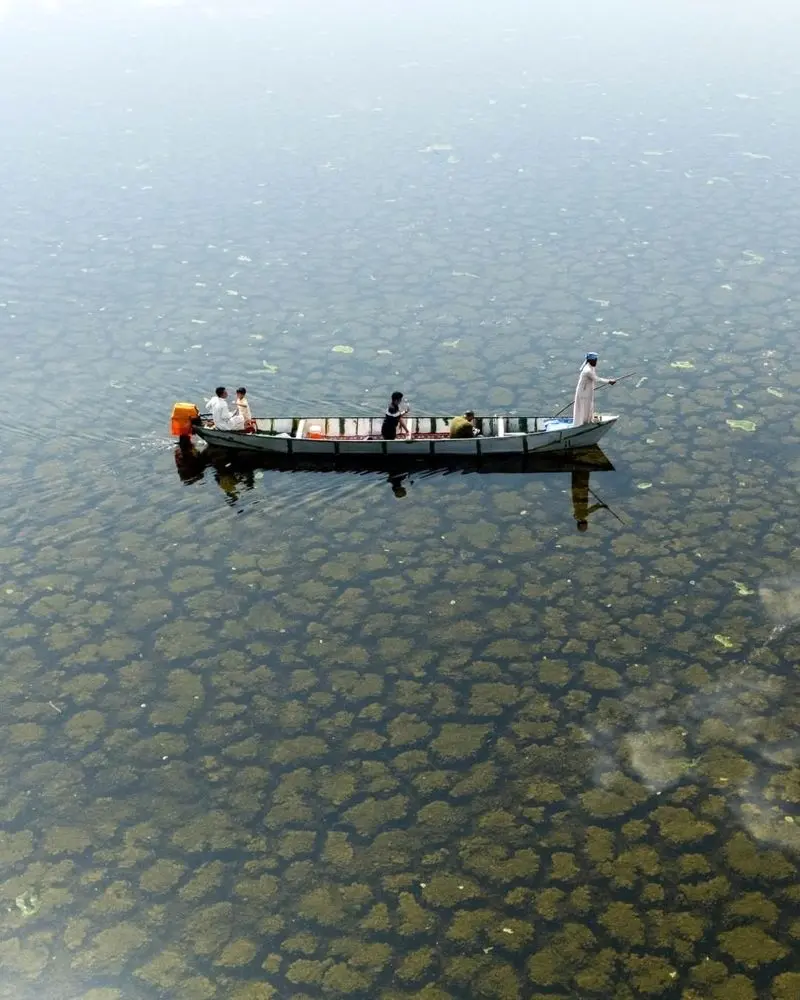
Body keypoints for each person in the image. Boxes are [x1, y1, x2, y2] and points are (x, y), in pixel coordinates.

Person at [573, 353, 616, 426]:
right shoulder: (588, 370)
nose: (596, 362)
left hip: (587, 391)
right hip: (583, 392)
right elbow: (596, 379)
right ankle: (580, 423)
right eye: (595, 360)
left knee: (588, 406)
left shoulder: (591, 367)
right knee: (584, 407)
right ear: (590, 361)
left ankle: (586, 421)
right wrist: (609, 381)